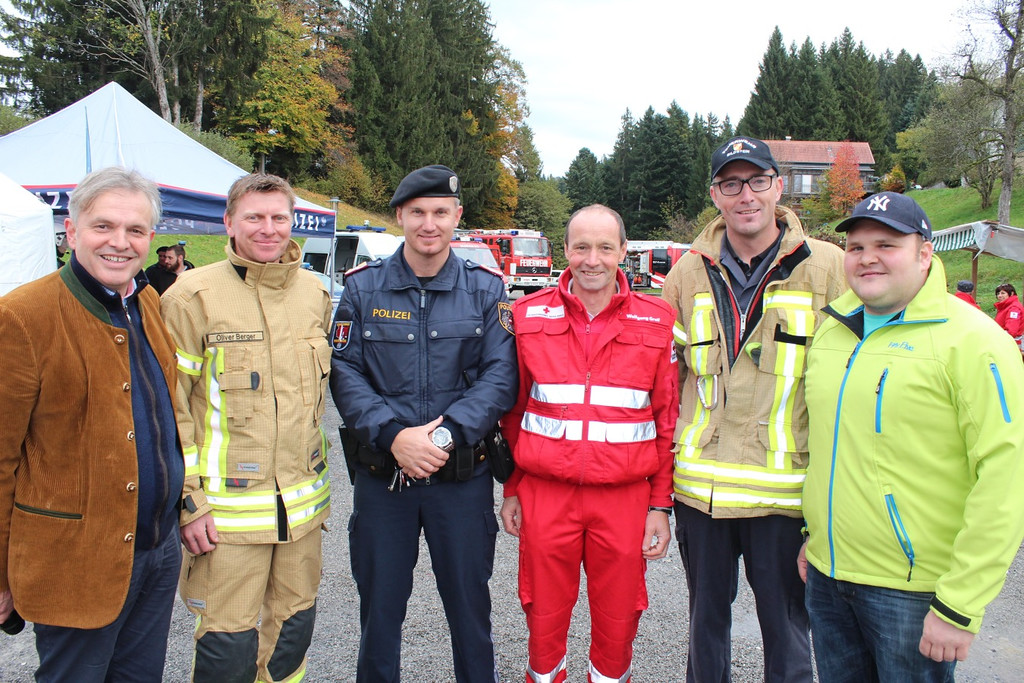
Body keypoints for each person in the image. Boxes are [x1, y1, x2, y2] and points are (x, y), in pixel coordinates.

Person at [798, 191, 1024, 681]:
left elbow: (1007, 479)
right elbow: (831, 449)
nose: (867, 257)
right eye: (856, 247)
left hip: (913, 593)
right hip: (828, 577)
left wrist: (960, 603)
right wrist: (815, 536)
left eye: (887, 244)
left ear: (925, 254)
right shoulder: (833, 332)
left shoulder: (975, 342)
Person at [661, 136, 846, 682]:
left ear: (778, 187)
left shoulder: (828, 268)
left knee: (787, 633)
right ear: (715, 195)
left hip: (784, 497)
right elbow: (667, 382)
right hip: (702, 493)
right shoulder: (686, 274)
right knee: (705, 628)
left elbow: (850, 386)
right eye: (731, 184)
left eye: (757, 181)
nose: (746, 195)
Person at [330, 164, 517, 682]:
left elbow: (500, 376)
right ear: (400, 216)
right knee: (379, 616)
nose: (428, 224)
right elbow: (344, 372)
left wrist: (442, 436)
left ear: (457, 216)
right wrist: (393, 437)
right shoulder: (363, 289)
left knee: (470, 614)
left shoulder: (485, 290)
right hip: (383, 482)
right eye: (417, 212)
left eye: (440, 212)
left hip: (460, 483)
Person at [0, 166, 184, 680]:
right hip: (75, 560)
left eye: (135, 230)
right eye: (103, 226)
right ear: (71, 230)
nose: (119, 242)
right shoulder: (22, 316)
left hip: (156, 550)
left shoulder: (146, 301)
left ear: (150, 238)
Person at [160, 173, 332, 683]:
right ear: (229, 222)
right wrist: (189, 502)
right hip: (225, 521)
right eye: (254, 217)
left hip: (302, 516)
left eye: (279, 217)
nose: (268, 228)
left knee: (291, 639)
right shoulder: (191, 297)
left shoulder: (314, 292)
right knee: (227, 648)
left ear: (293, 222)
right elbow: (172, 410)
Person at [499, 205, 678, 682]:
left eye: (604, 247)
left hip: (624, 499)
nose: (592, 259)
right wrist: (513, 488)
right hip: (546, 494)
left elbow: (666, 420)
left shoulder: (658, 320)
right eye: (581, 247)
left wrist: (660, 505)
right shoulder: (527, 315)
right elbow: (514, 412)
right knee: (542, 616)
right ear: (566, 250)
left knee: (619, 621)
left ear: (624, 251)